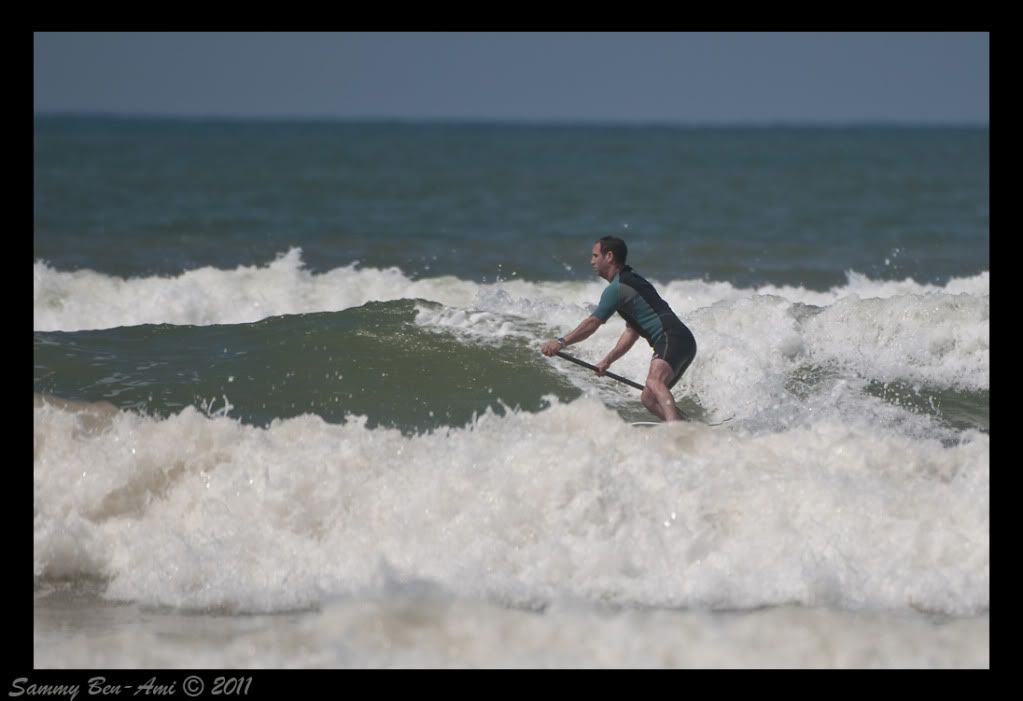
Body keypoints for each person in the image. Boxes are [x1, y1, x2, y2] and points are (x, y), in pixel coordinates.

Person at [541, 236, 697, 422]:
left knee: (654, 382)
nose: (591, 261)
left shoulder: (617, 288)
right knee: (648, 398)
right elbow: (631, 332)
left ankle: (676, 432)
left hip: (671, 337)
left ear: (609, 256)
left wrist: (561, 342)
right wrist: (607, 361)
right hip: (683, 341)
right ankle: (690, 429)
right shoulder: (631, 282)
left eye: (595, 255)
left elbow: (593, 323)